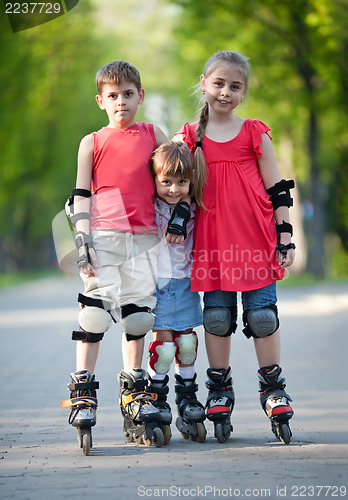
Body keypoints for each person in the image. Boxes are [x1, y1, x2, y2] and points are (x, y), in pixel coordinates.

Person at [174, 51, 296, 444]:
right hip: (212, 243)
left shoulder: (253, 133)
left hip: (256, 240)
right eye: (219, 83)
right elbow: (168, 185)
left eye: (235, 86)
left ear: (244, 92)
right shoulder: (189, 136)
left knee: (262, 316)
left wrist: (285, 236)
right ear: (204, 83)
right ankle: (219, 388)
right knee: (217, 318)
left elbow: (278, 190)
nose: (225, 92)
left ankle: (272, 387)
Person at [60, 60, 170, 450]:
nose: (121, 101)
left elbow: (171, 179)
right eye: (113, 95)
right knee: (93, 313)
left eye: (128, 94)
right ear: (100, 101)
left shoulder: (154, 134)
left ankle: (134, 392)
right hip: (103, 236)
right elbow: (81, 194)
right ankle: (84, 393)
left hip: (144, 237)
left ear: (141, 96)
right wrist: (82, 238)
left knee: (137, 316)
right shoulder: (91, 141)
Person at [146, 142, 206, 444]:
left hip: (184, 282)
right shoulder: (150, 204)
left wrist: (184, 205)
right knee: (165, 348)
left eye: (181, 182)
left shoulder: (192, 205)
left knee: (186, 345)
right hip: (157, 285)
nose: (173, 189)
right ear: (155, 179)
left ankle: (187, 399)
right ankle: (156, 399)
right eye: (166, 182)